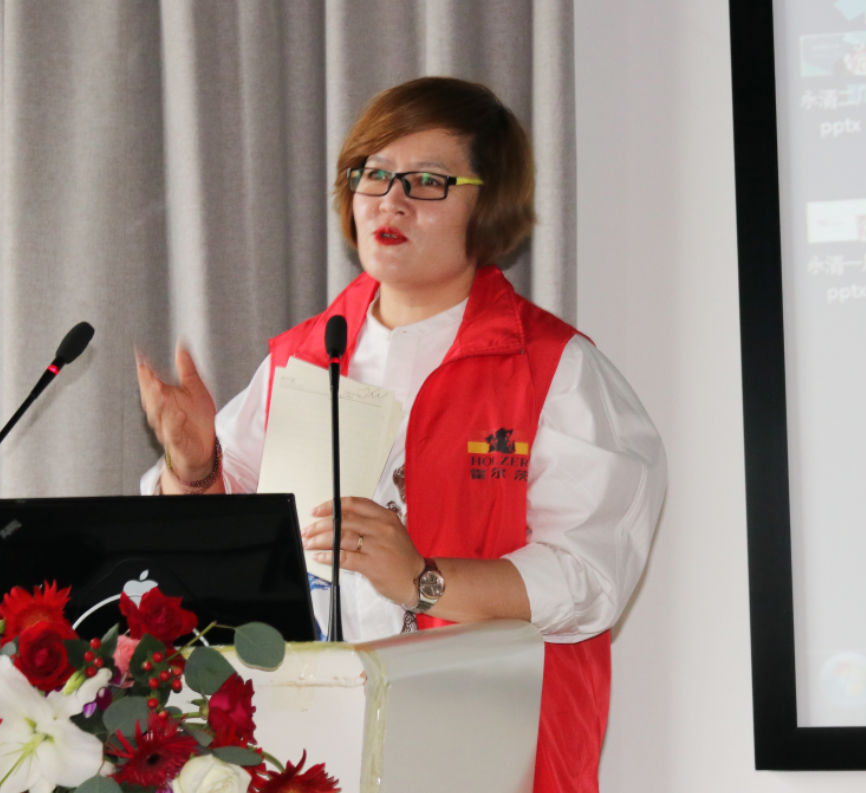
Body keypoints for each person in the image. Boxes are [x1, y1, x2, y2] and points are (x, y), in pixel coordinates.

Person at [137, 76, 665, 793]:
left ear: (490, 204)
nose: (390, 200)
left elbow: (590, 579)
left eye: (427, 181)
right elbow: (214, 563)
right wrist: (195, 465)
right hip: (305, 747)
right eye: (373, 174)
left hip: (486, 748)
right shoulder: (303, 358)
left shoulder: (555, 369)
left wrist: (423, 579)